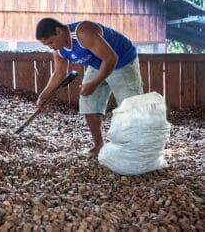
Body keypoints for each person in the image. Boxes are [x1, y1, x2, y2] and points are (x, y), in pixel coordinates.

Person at [35, 18, 143, 157]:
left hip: (121, 61)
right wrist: (43, 96)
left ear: (58, 31)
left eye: (50, 42)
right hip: (97, 63)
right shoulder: (58, 49)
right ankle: (99, 145)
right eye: (46, 45)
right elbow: (59, 73)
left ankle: (136, 149)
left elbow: (111, 59)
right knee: (87, 101)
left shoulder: (83, 33)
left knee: (131, 106)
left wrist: (94, 83)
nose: (50, 47)